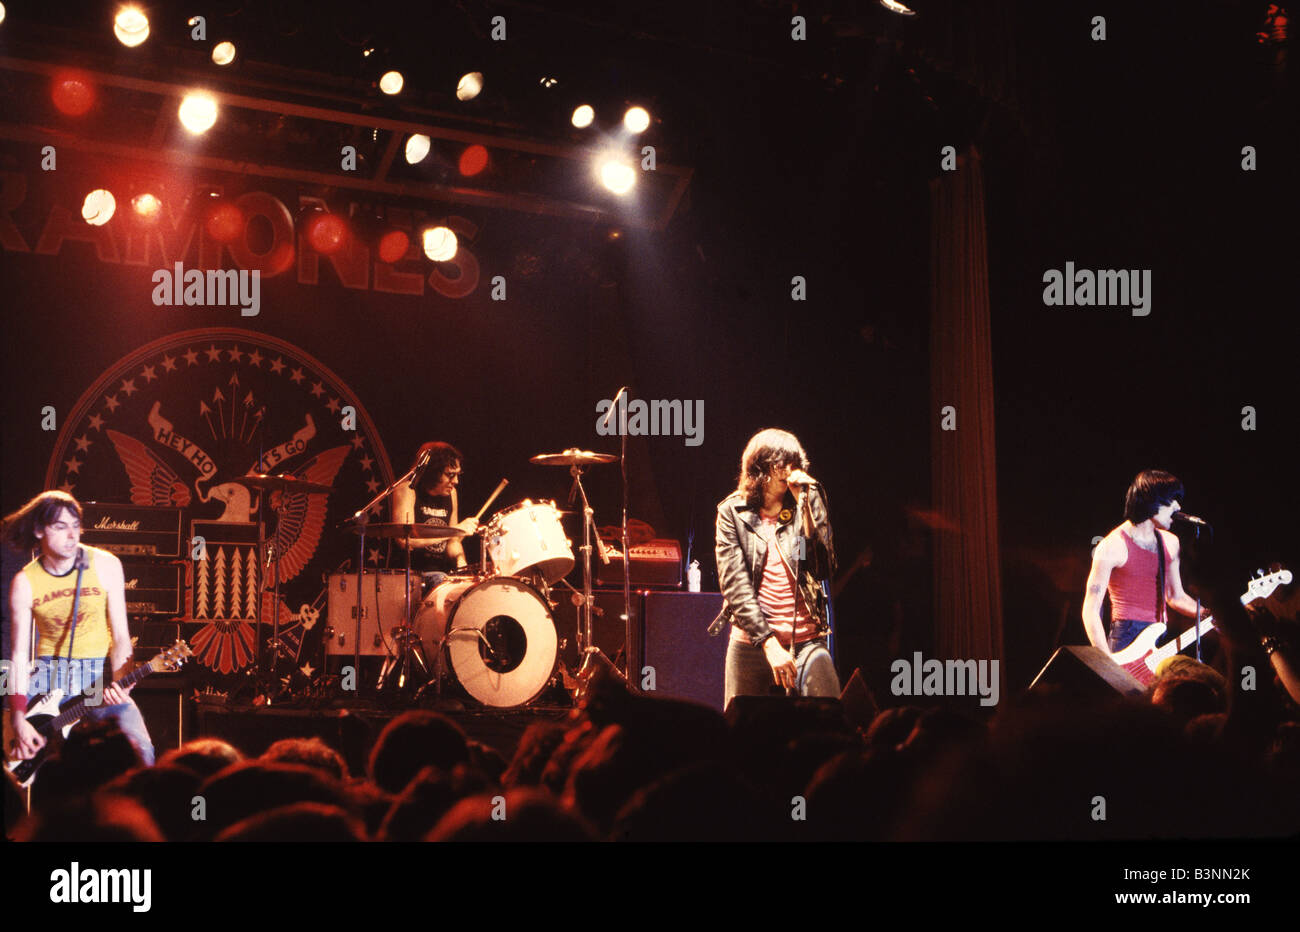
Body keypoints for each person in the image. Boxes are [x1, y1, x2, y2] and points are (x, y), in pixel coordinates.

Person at [3, 490, 155, 769]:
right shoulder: (24, 583)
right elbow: (17, 658)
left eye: (75, 526)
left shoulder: (106, 565)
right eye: (60, 527)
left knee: (140, 749)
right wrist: (18, 718)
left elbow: (121, 636)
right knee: (55, 768)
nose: (72, 535)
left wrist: (123, 682)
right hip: (48, 678)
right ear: (39, 530)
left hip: (96, 676)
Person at [711, 428, 839, 705]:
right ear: (760, 468)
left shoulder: (806, 500)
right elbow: (735, 585)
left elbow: (823, 567)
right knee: (740, 729)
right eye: (781, 464)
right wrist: (768, 643)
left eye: (794, 464)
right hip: (752, 641)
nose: (788, 471)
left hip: (807, 640)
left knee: (829, 713)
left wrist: (805, 508)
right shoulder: (732, 512)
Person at [1081, 470, 1208, 655]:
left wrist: (1208, 615)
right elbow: (1091, 610)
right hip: (1126, 636)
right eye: (1172, 499)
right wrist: (1106, 661)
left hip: (1161, 633)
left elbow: (1175, 596)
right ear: (1152, 499)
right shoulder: (1112, 546)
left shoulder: (1171, 543)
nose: (1178, 507)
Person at [390, 442, 478, 590]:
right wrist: (453, 531)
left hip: (440, 573)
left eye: (457, 474)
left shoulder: (451, 494)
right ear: (433, 471)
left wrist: (461, 563)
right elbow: (405, 540)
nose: (456, 481)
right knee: (440, 581)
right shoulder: (407, 490)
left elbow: (453, 543)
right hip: (411, 575)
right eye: (450, 475)